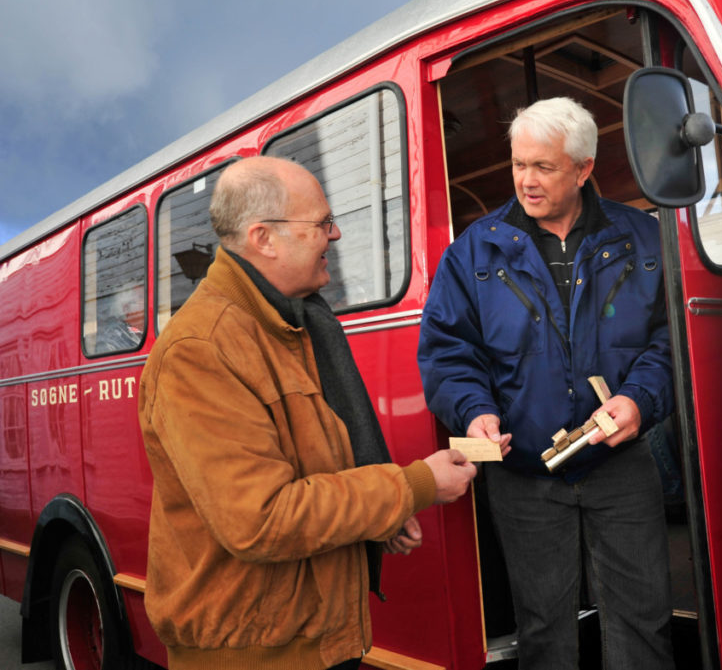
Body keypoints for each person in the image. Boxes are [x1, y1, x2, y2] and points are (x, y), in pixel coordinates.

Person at [139, 156, 477, 670]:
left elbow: (317, 462)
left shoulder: (295, 322)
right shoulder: (200, 349)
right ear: (264, 238)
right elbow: (261, 519)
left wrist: (379, 516)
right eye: (321, 223)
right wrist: (410, 486)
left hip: (310, 637)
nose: (335, 234)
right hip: (256, 654)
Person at [418, 97, 675, 669]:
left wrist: (639, 399)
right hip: (523, 474)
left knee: (644, 619)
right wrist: (473, 410)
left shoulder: (644, 238)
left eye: (544, 167)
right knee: (543, 631)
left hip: (621, 467)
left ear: (584, 169)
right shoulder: (471, 251)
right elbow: (447, 352)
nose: (525, 182)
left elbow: (667, 342)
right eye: (518, 165)